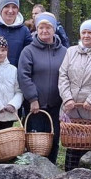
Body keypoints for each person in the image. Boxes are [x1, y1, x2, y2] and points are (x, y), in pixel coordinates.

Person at [58, 20, 91, 172]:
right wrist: (67, 98)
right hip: (72, 108)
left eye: (90, 32)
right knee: (73, 146)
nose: (87, 35)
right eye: (84, 32)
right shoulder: (71, 51)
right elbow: (63, 75)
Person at [19, 12, 68, 161]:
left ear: (54, 29)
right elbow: (23, 76)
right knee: (35, 142)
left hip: (56, 105)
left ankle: (51, 171)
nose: (44, 31)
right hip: (35, 107)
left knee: (53, 140)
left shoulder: (64, 52)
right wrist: (33, 99)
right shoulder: (28, 51)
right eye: (41, 27)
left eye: (48, 27)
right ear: (36, 29)